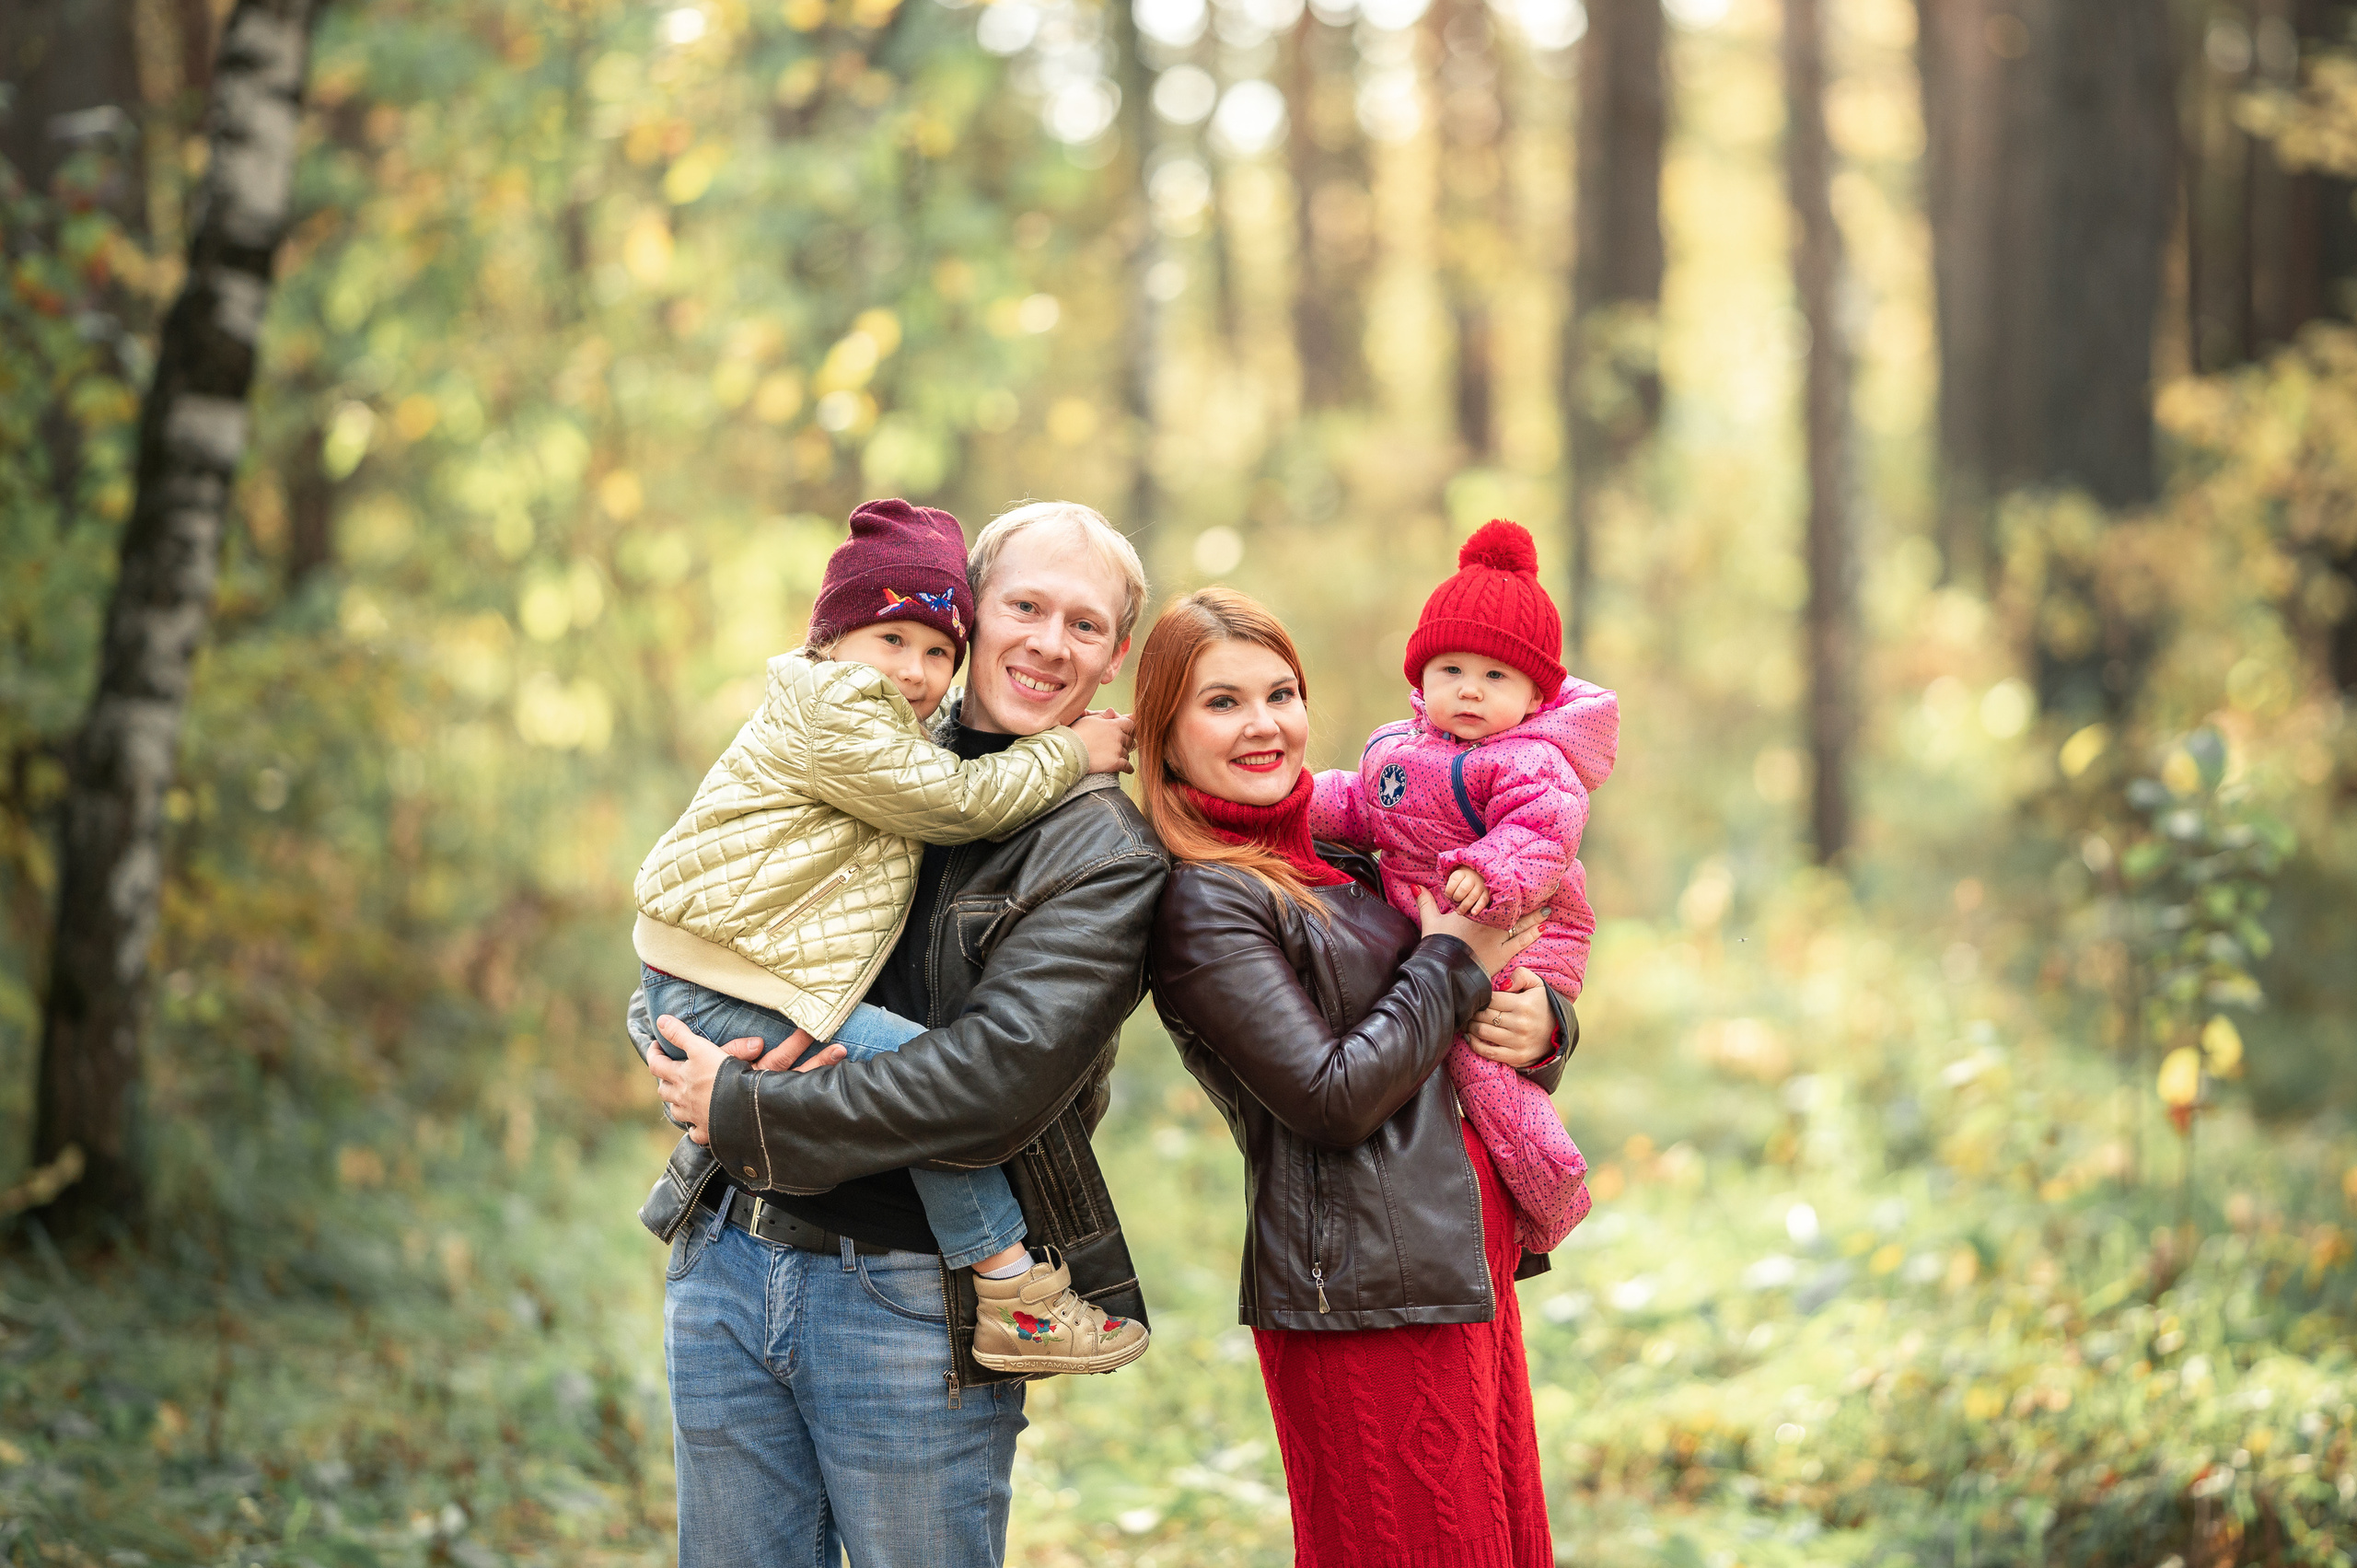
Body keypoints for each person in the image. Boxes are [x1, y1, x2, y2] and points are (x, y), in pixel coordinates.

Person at [630, 500, 1167, 1568]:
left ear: (1114, 658)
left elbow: (990, 1087)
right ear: (974, 613)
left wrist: (744, 1104)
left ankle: (1015, 1291)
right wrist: (671, 1035)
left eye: (1084, 624)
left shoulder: (1100, 850)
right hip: (732, 1247)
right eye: (1023, 606)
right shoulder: (870, 744)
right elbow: (721, 923)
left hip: (910, 1298)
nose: (1048, 642)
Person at [1141, 587, 1573, 1568]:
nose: (1264, 724)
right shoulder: (1206, 902)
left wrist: (1544, 1023)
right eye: (1222, 702)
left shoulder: (1356, 852)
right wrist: (1454, 956)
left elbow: (1454, 1016)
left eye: (1280, 693)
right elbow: (1330, 1098)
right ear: (1163, 735)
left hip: (1459, 1266)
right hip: (1366, 1297)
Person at [1309, 517, 1615, 1251]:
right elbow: (1360, 804)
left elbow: (1544, 829)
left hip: (1518, 934)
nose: (1470, 690)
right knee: (1429, 1062)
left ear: (1535, 695)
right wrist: (1295, 801)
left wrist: (1488, 869)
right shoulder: (1396, 746)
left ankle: (1551, 1191)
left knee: (1484, 1070)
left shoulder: (1528, 760)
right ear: (1421, 677)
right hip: (1440, 939)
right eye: (1451, 670)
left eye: (1495, 676)